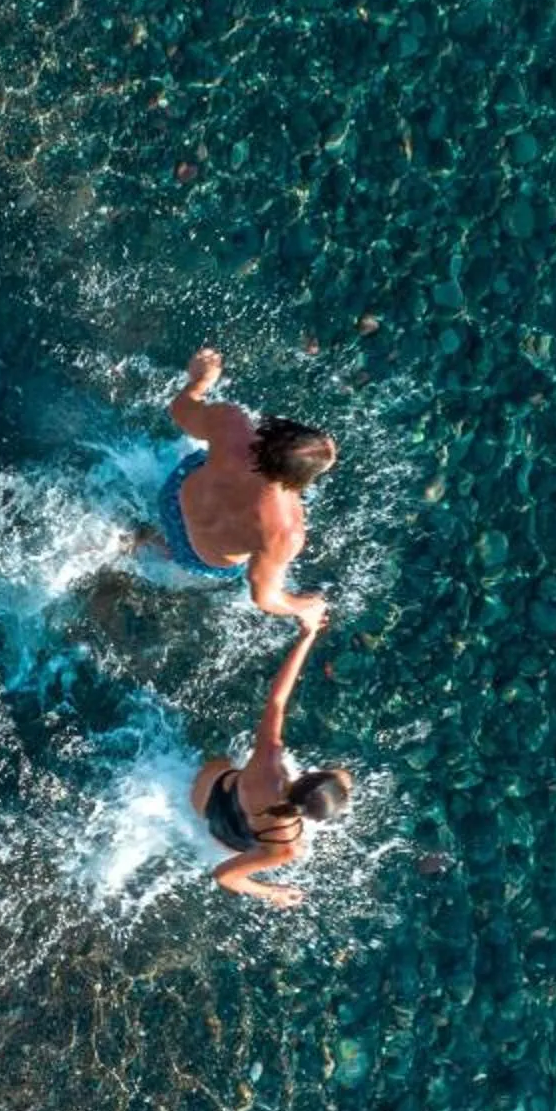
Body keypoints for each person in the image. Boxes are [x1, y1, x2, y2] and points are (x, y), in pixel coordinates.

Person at [140, 348, 335, 630]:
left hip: (174, 498)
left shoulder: (230, 425)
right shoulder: (284, 531)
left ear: (270, 432)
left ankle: (144, 536)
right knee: (180, 555)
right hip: (198, 555)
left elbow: (180, 409)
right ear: (298, 480)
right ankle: (148, 543)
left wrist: (200, 381)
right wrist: (307, 606)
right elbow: (264, 597)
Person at [191, 619, 355, 909]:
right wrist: (273, 892)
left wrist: (306, 636)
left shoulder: (268, 760)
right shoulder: (288, 845)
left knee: (222, 762)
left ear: (306, 777)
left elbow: (277, 699)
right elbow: (224, 876)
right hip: (224, 837)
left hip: (203, 798)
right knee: (298, 842)